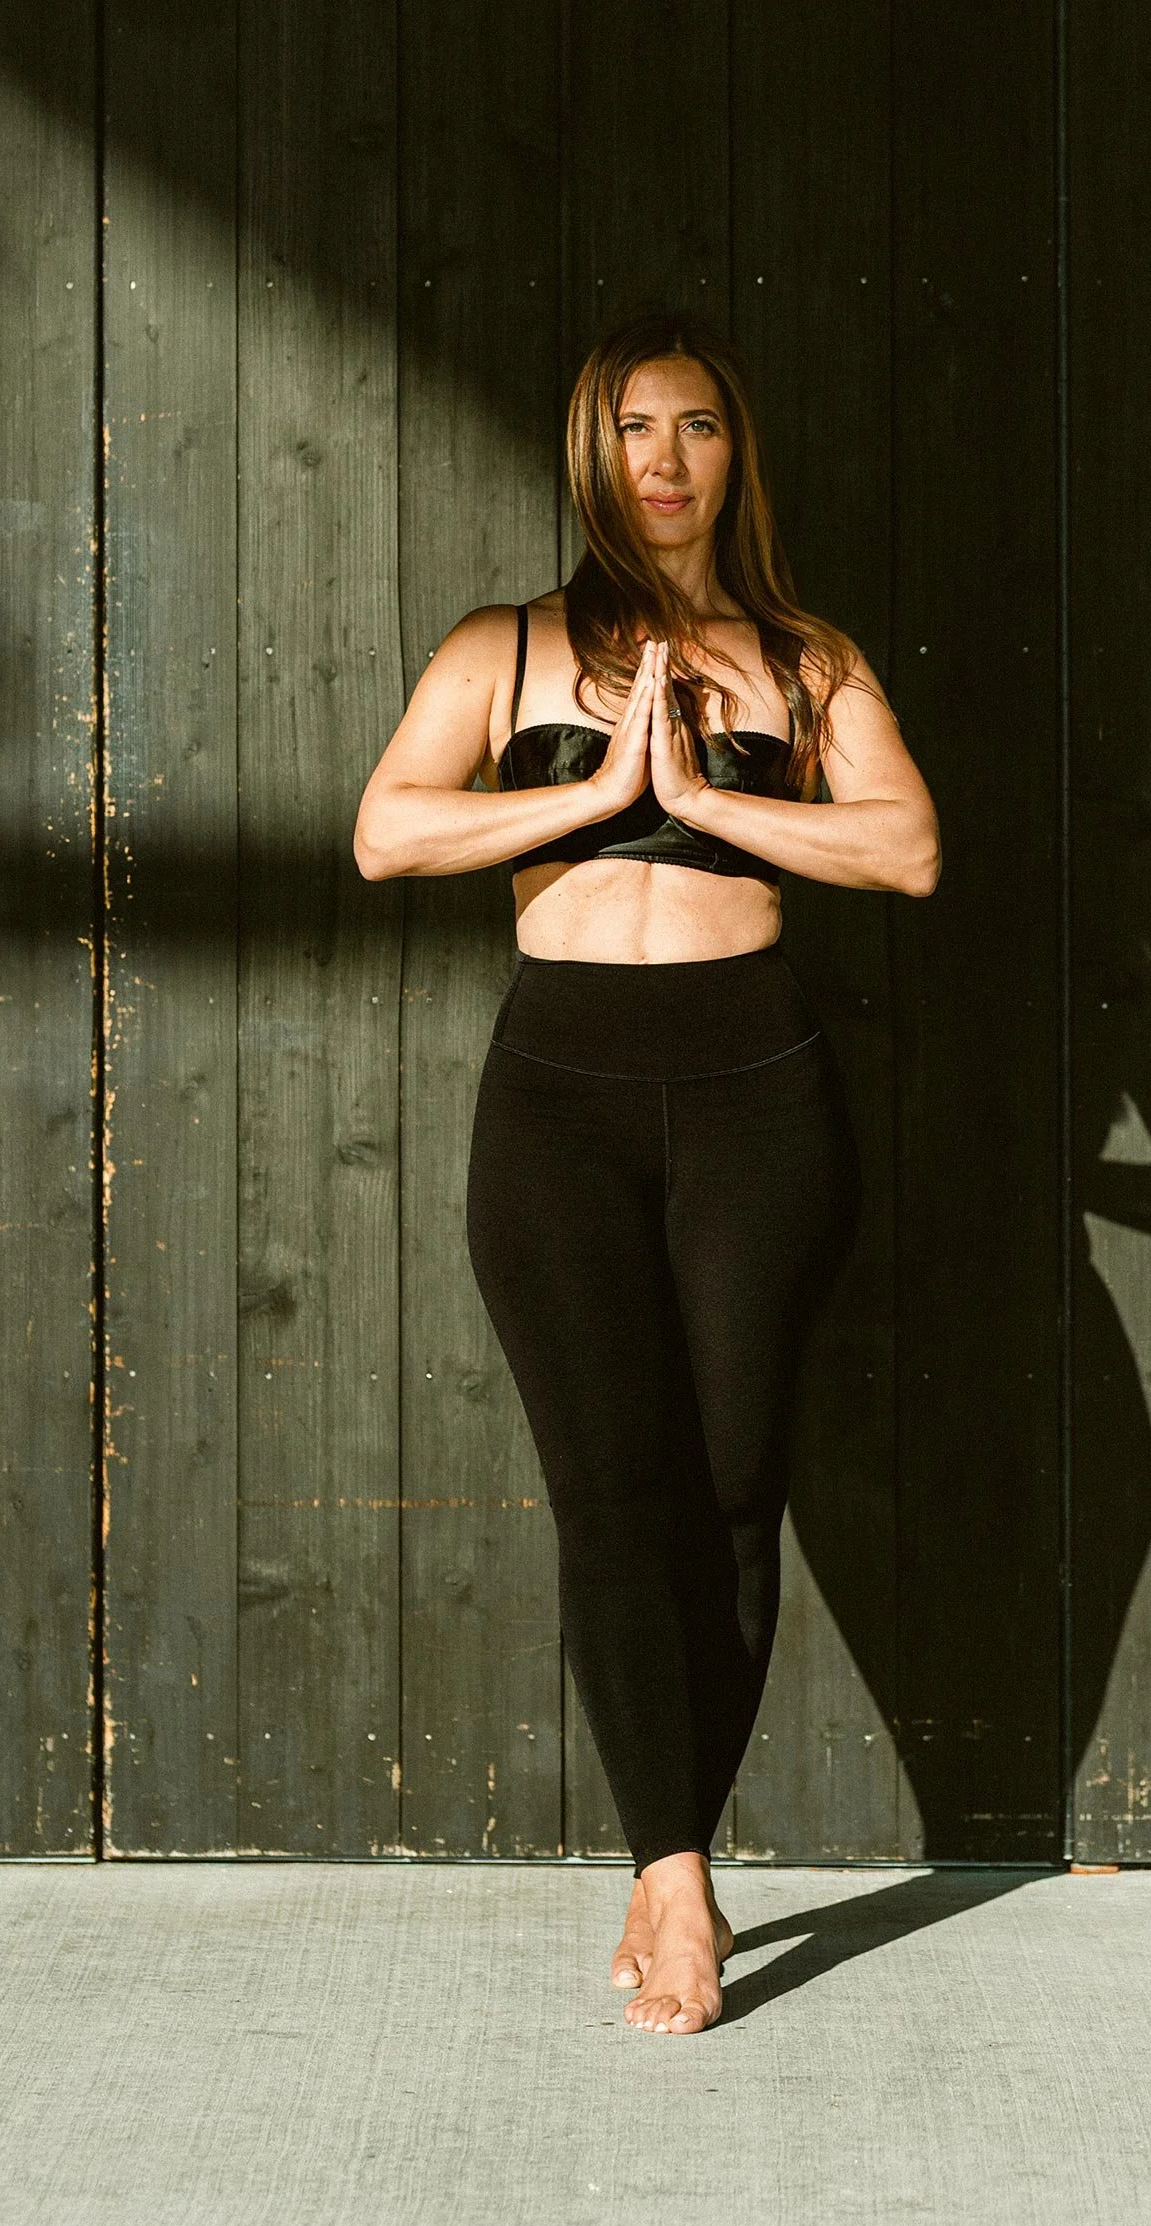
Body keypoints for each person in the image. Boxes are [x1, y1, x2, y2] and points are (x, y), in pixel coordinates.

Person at [354, 310, 940, 2034]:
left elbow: (903, 846)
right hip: (561, 1096)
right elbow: (391, 829)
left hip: (755, 1088)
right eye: (632, 430)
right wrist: (598, 787)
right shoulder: (506, 648)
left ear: (733, 453)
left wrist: (713, 798)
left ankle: (665, 1859)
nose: (665, 461)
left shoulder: (805, 657)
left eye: (694, 428)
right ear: (589, 456)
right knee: (616, 1491)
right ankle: (675, 1869)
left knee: (734, 1491)